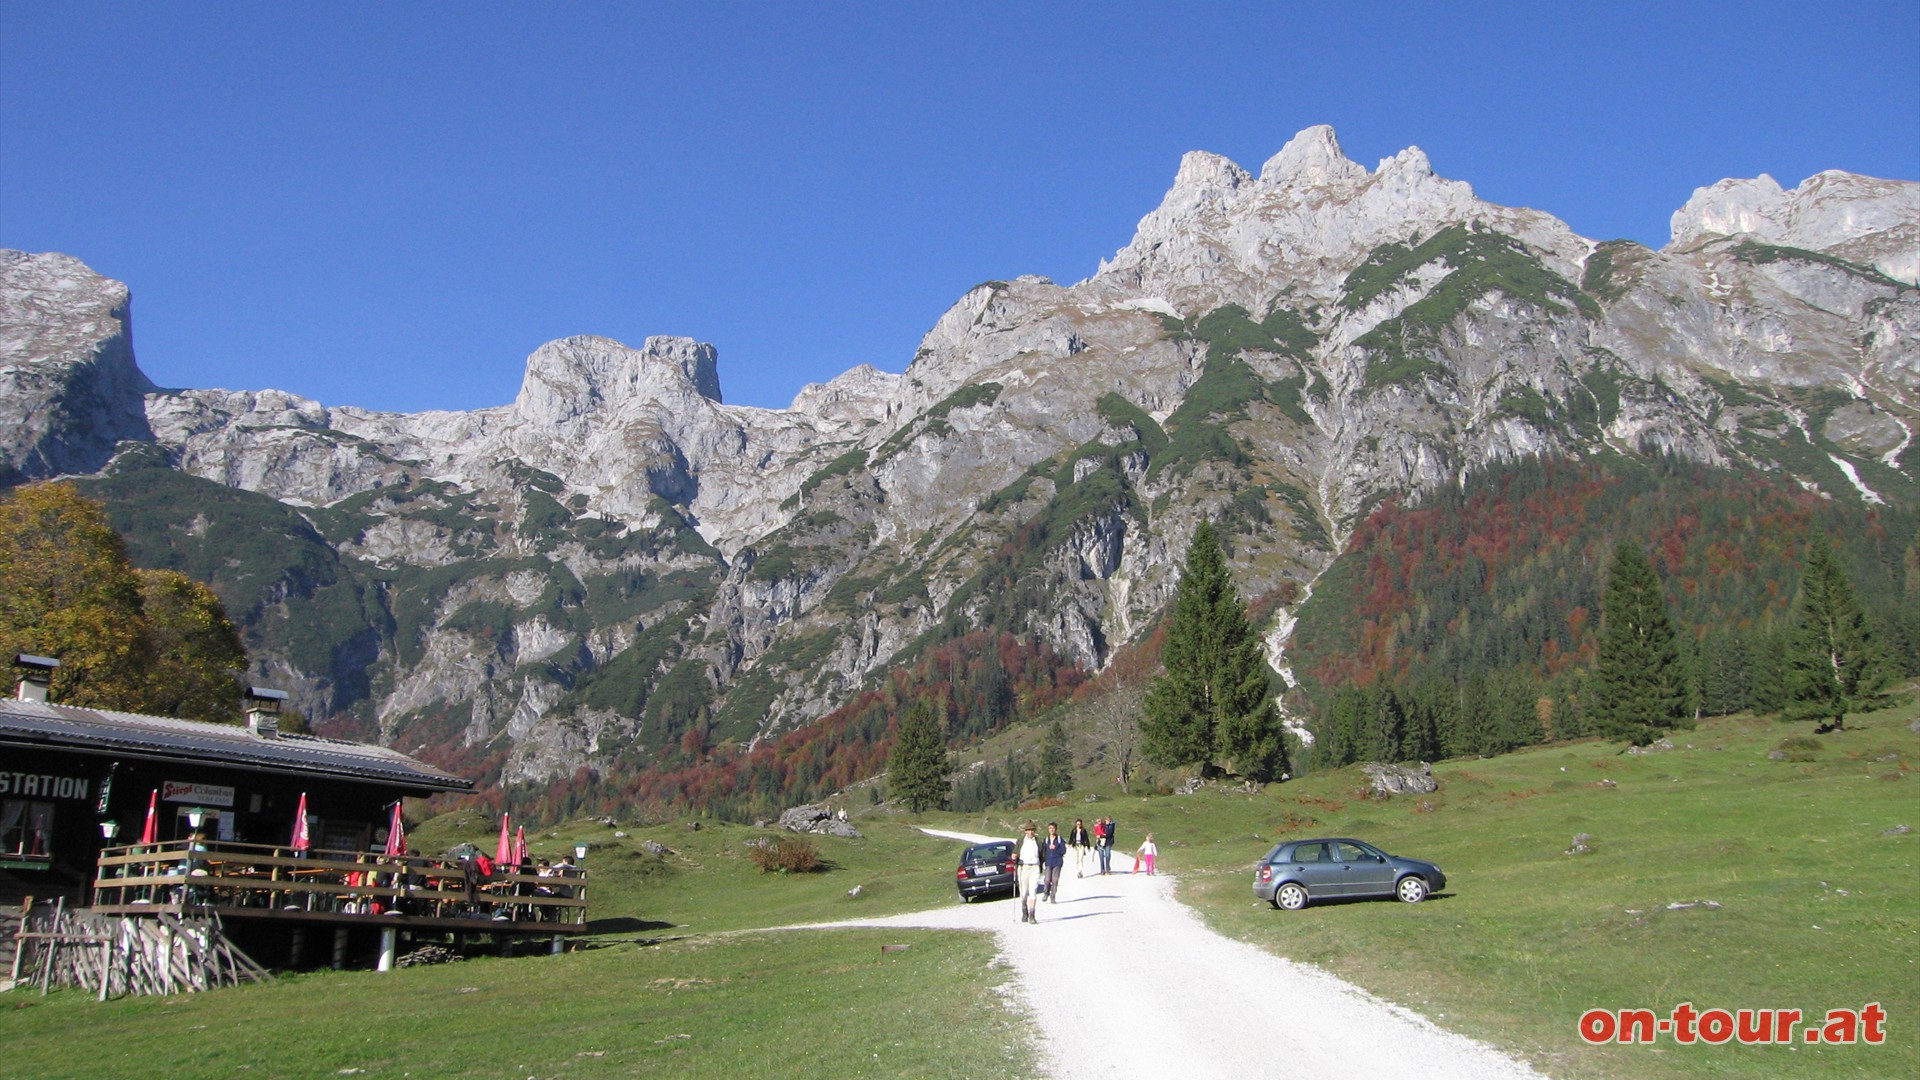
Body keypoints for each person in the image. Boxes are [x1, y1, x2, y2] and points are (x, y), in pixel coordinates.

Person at [1015, 822, 1042, 924]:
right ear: (1025, 831)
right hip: (1023, 868)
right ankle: (1024, 910)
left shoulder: (1038, 842)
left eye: (1032, 830)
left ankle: (1032, 915)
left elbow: (1042, 855)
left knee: (1033, 891)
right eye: (1029, 830)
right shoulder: (1021, 841)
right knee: (1023, 893)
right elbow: (1014, 853)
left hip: (1034, 867)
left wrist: (1041, 866)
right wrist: (1015, 857)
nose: (1031, 832)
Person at [1041, 822, 1068, 903]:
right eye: (1050, 828)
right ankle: (1046, 893)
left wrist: (1055, 848)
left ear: (1056, 829)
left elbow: (1063, 850)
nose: (1051, 830)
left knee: (1055, 880)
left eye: (1053, 828)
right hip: (1048, 862)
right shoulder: (1046, 840)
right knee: (1046, 879)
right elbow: (1043, 851)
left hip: (1057, 862)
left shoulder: (1060, 839)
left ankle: (1053, 896)